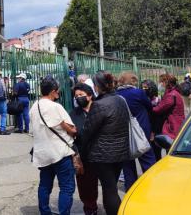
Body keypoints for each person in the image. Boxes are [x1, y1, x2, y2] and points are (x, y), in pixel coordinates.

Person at [82, 71, 130, 215]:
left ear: (97, 86)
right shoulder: (120, 100)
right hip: (120, 152)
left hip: (103, 155)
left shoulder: (99, 105)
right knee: (111, 187)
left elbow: (87, 131)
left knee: (109, 190)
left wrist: (81, 153)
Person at [30, 77, 77, 215]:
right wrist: (63, 124)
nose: (58, 93)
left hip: (43, 153)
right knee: (67, 187)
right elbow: (73, 130)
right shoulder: (56, 107)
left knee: (44, 185)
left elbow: (31, 131)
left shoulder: (34, 106)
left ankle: (45, 212)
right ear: (52, 92)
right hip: (60, 152)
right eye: (57, 91)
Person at [116, 72, 156, 192]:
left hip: (123, 133)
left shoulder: (116, 95)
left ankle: (131, 188)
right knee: (148, 160)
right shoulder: (138, 93)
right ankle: (151, 185)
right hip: (141, 132)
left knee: (128, 163)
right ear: (133, 81)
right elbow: (150, 107)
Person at [71, 83, 98, 215]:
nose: (78, 98)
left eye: (81, 95)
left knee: (108, 184)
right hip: (84, 155)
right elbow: (70, 136)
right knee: (85, 185)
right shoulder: (73, 114)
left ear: (90, 95)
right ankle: (90, 208)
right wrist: (75, 154)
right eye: (76, 96)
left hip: (102, 153)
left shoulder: (99, 109)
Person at [152, 74, 185, 149]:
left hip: (173, 125)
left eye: (161, 82)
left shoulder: (171, 95)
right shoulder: (174, 92)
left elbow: (159, 109)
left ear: (166, 83)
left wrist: (149, 106)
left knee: (171, 147)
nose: (160, 84)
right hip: (177, 122)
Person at [141, 79, 164, 161]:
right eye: (142, 87)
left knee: (156, 154)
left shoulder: (157, 101)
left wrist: (153, 132)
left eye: (145, 87)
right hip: (145, 131)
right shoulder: (143, 100)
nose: (143, 89)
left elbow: (158, 120)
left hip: (155, 131)